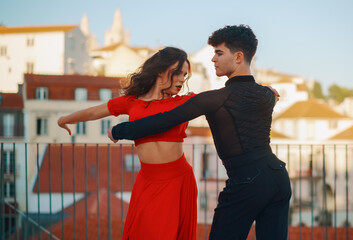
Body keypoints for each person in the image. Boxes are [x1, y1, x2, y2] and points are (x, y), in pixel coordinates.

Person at [109, 25, 292, 239]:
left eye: (219, 52)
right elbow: (261, 92)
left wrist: (119, 129)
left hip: (246, 182)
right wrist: (270, 90)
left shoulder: (214, 99)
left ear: (239, 57)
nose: (213, 59)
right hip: (278, 177)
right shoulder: (266, 95)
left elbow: (164, 121)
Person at [57, 47, 198, 240]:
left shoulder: (186, 102)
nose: (182, 79)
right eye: (178, 73)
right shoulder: (132, 102)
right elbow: (93, 112)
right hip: (147, 181)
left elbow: (217, 103)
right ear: (160, 71)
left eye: (185, 75)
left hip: (178, 179)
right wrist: (64, 119)